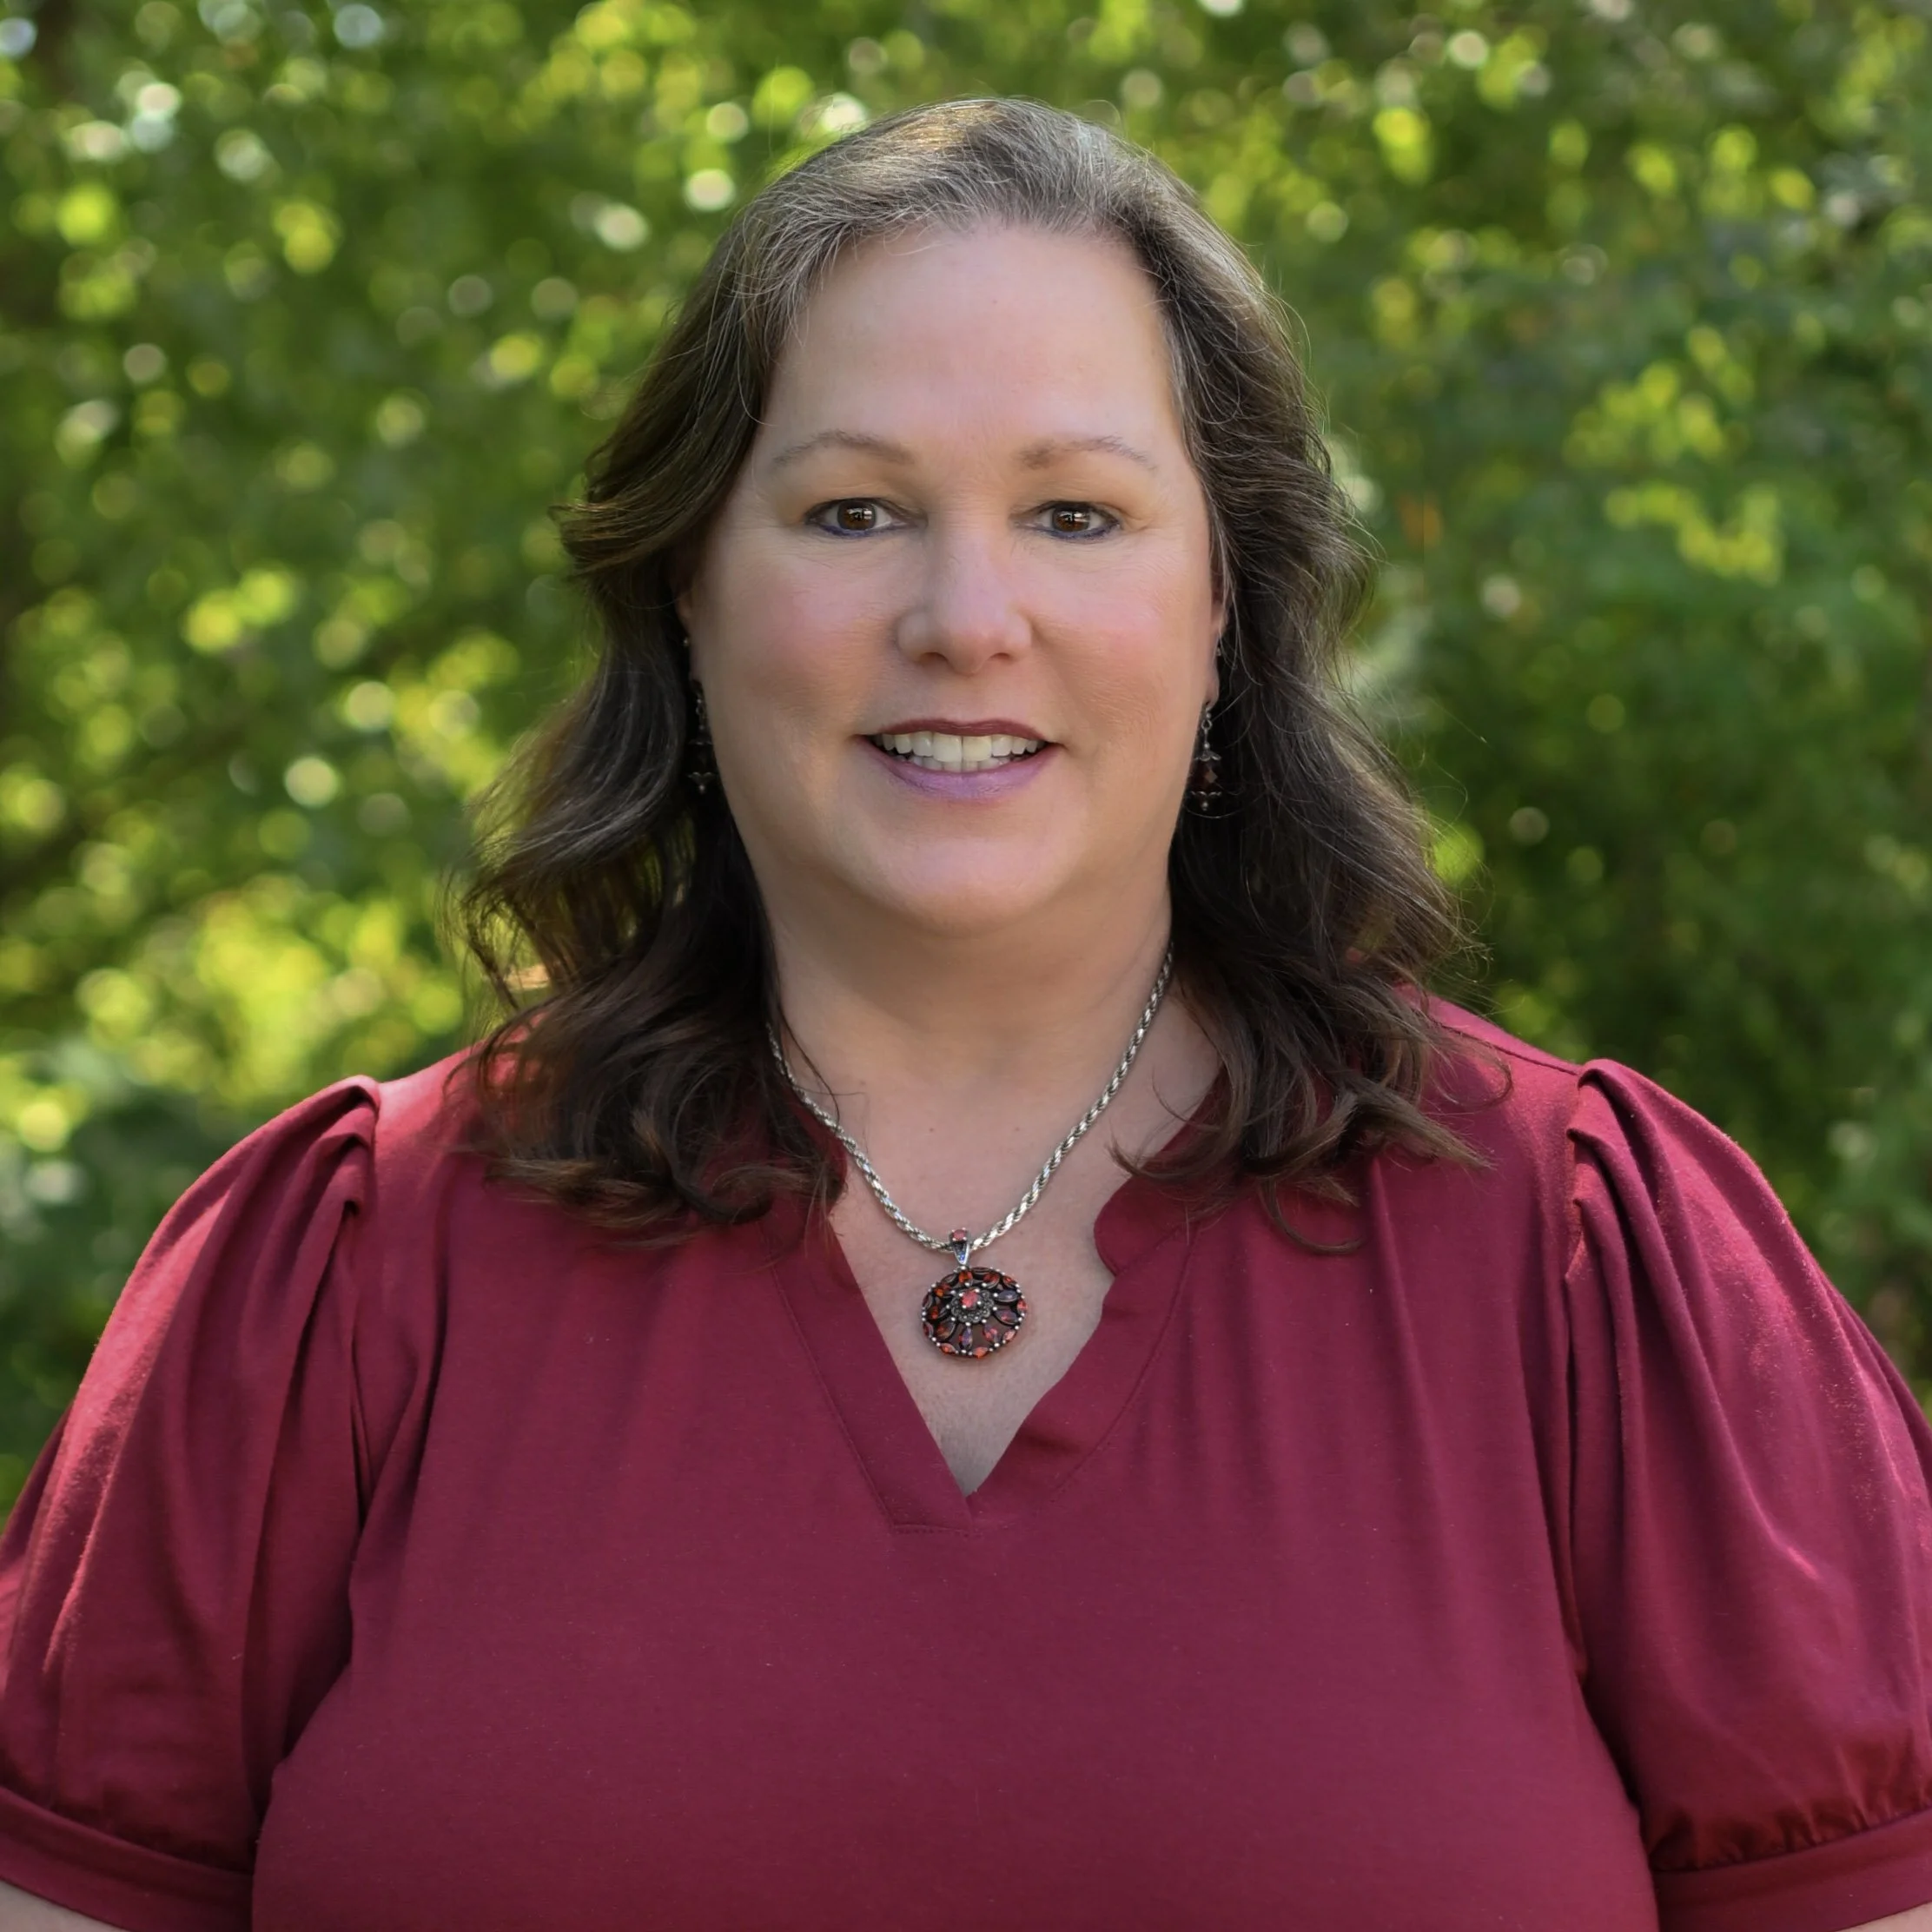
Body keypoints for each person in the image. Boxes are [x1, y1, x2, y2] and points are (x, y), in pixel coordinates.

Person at [1, 96, 1929, 1932]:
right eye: (851, 512)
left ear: (1226, 604)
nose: (963, 614)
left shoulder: (1597, 1273)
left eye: (1076, 515)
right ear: (688, 584)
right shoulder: (331, 1283)